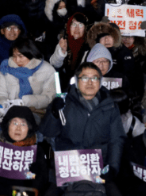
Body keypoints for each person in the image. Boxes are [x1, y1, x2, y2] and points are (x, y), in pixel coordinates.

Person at [41, 63, 126, 196]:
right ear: (76, 81)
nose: (90, 82)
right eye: (85, 78)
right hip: (68, 166)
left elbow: (117, 139)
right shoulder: (63, 102)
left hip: (98, 166)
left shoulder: (110, 106)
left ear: (100, 82)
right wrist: (54, 113)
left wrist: (113, 167)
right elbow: (47, 132)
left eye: (95, 78)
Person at [0, 106, 50, 194]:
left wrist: (25, 173)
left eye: (23, 124)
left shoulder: (37, 151)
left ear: (29, 128)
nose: (18, 128)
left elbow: (41, 178)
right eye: (14, 123)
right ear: (7, 126)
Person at [0, 39, 56, 114]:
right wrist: (5, 104)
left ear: (30, 54)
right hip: (10, 113)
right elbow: (1, 94)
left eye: (21, 56)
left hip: (37, 112)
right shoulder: (5, 69)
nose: (17, 60)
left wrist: (24, 102)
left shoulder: (47, 70)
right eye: (14, 56)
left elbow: (49, 97)